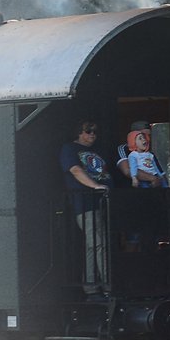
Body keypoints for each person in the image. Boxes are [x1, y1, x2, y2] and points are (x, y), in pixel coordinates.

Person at [59, 120, 111, 293]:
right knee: (99, 243)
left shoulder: (97, 150)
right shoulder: (69, 149)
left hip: (102, 203)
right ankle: (108, 284)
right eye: (88, 131)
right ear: (79, 133)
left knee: (94, 244)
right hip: (86, 204)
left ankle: (91, 285)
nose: (92, 135)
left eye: (95, 131)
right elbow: (75, 170)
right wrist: (95, 186)